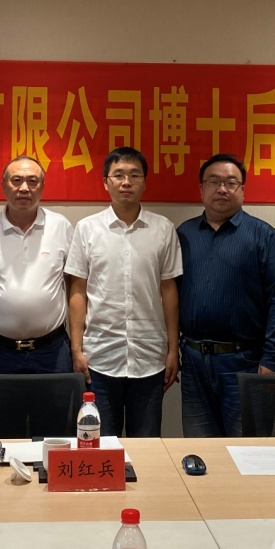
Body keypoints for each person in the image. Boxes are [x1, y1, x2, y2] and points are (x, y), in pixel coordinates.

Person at [176, 154, 275, 436]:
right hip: (193, 362)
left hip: (246, 364)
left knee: (247, 449)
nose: (222, 189)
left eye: (231, 183)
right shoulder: (184, 234)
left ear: (242, 189)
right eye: (213, 182)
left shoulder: (264, 236)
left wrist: (273, 360)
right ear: (201, 189)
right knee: (199, 448)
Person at [66, 147, 181, 437]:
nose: (126, 182)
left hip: (150, 357)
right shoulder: (87, 229)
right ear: (106, 182)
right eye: (118, 175)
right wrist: (76, 349)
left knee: (148, 444)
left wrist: (172, 350)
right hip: (99, 358)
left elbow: (169, 290)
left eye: (134, 175)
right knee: (101, 444)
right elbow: (78, 290)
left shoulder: (163, 229)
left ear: (144, 182)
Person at [0, 155, 73, 374]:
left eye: (32, 181)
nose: (24, 188)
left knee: (59, 399)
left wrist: (78, 346)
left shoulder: (61, 227)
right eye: (16, 180)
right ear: (3, 185)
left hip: (52, 350)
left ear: (42, 186)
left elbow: (75, 288)